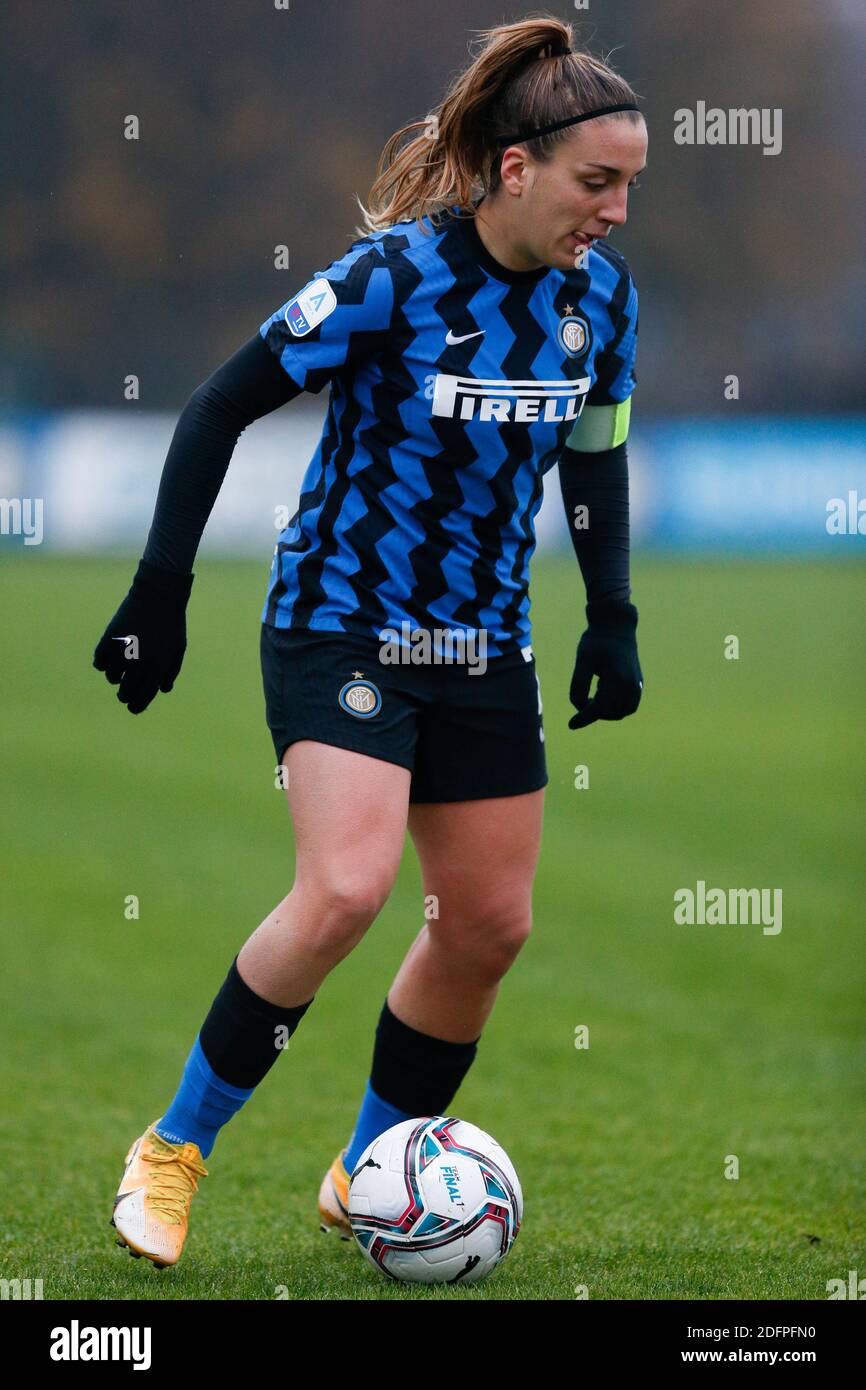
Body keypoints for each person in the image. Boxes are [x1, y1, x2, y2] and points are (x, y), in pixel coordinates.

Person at [95, 15, 647, 1268]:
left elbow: (595, 456)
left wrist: (609, 616)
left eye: (629, 186)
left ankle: (370, 1171)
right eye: (595, 182)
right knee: (345, 888)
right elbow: (221, 401)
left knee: (486, 926)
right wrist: (158, 591)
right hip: (339, 622)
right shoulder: (391, 277)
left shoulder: (599, 299)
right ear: (517, 168)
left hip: (483, 642)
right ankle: (173, 1151)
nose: (614, 211)